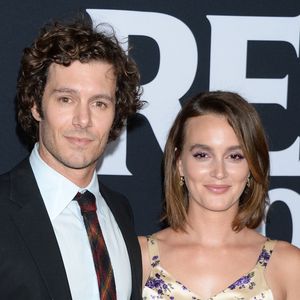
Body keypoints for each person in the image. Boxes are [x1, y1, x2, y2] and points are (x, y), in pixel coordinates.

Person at [0, 14, 143, 300]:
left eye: (99, 103)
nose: (83, 119)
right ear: (35, 106)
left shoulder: (119, 210)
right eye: (66, 99)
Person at [139, 91, 300, 299]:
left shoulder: (288, 265)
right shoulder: (136, 258)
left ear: (251, 166)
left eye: (235, 156)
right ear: (179, 164)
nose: (219, 172)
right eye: (203, 155)